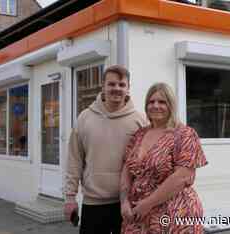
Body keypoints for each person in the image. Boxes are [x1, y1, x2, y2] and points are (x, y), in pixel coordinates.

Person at [64, 65, 147, 234]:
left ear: (128, 88)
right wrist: (70, 197)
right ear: (103, 86)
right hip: (93, 203)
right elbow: (74, 160)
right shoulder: (85, 118)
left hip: (127, 203)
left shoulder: (140, 121)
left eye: (121, 85)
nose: (116, 88)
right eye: (112, 84)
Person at [120, 83, 208, 233]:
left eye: (162, 102)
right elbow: (126, 171)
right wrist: (124, 202)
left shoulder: (184, 134)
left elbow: (182, 177)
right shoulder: (139, 135)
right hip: (137, 214)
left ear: (171, 105)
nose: (155, 106)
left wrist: (148, 203)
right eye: (151, 101)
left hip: (175, 213)